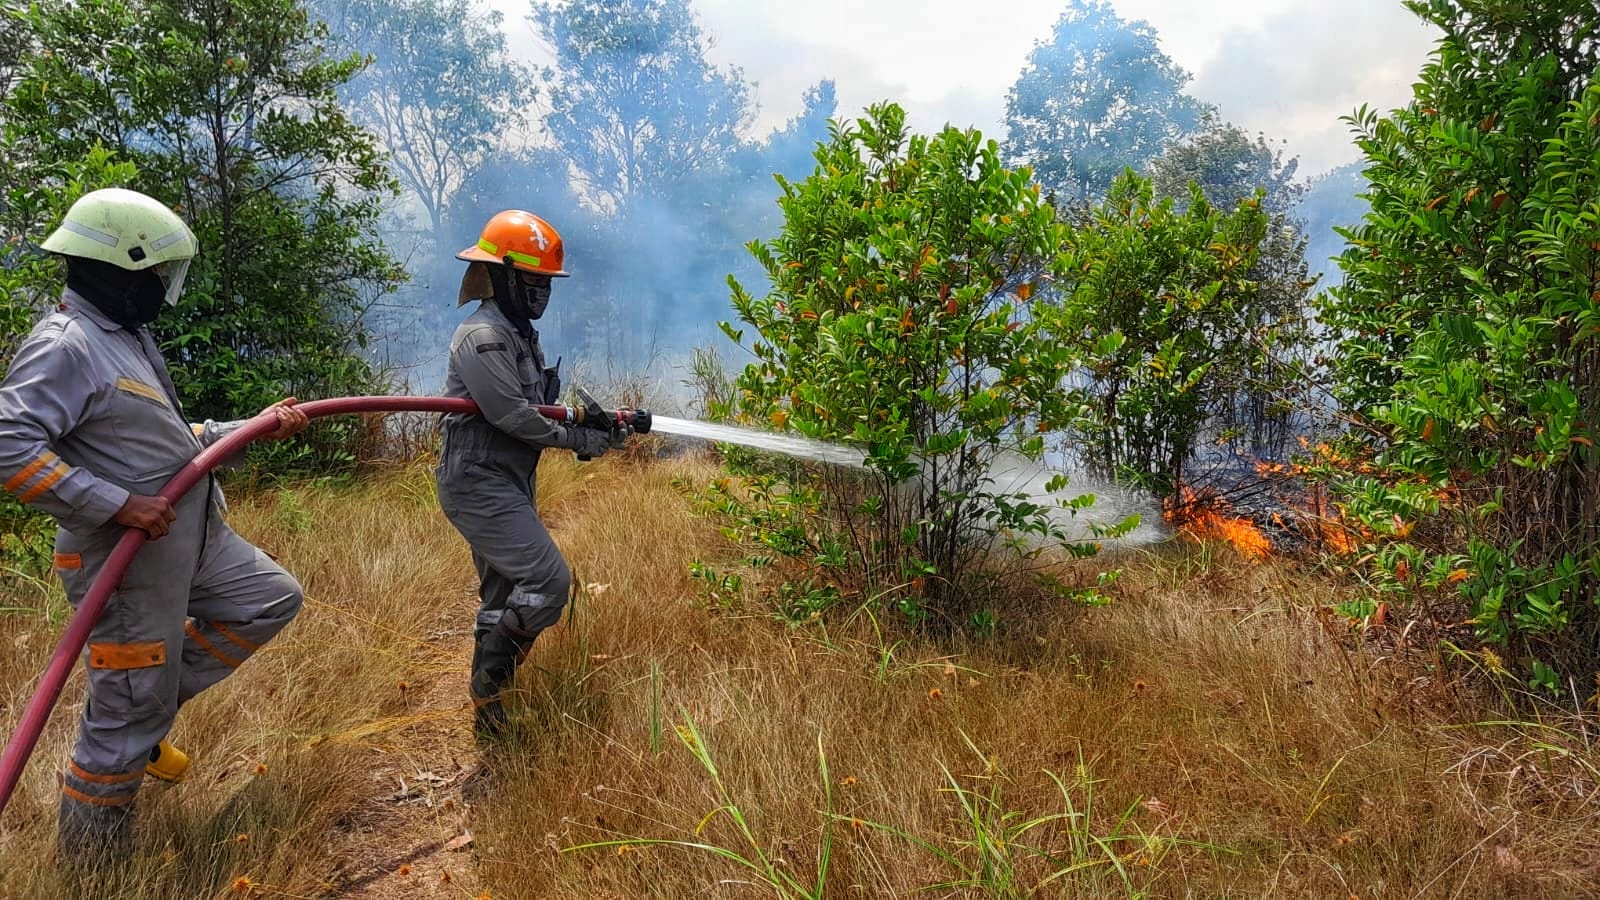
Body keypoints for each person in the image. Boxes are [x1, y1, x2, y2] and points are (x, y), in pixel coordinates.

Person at [0, 188, 311, 857]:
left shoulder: (125, 339)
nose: (160, 288)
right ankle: (93, 874)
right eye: (154, 274)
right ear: (119, 269)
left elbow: (172, 440)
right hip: (126, 568)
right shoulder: (67, 345)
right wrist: (115, 504)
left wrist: (255, 425)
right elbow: (7, 444)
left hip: (190, 545)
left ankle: (145, 713)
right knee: (118, 730)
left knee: (269, 599)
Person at [436, 209, 626, 737]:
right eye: (532, 279)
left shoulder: (520, 334)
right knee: (547, 580)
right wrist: (582, 439)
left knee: (503, 593)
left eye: (547, 282)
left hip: (507, 480)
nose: (541, 291)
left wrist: (595, 420)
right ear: (500, 276)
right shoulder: (482, 337)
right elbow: (516, 417)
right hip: (477, 481)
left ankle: (490, 715)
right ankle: (489, 685)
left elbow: (541, 409)